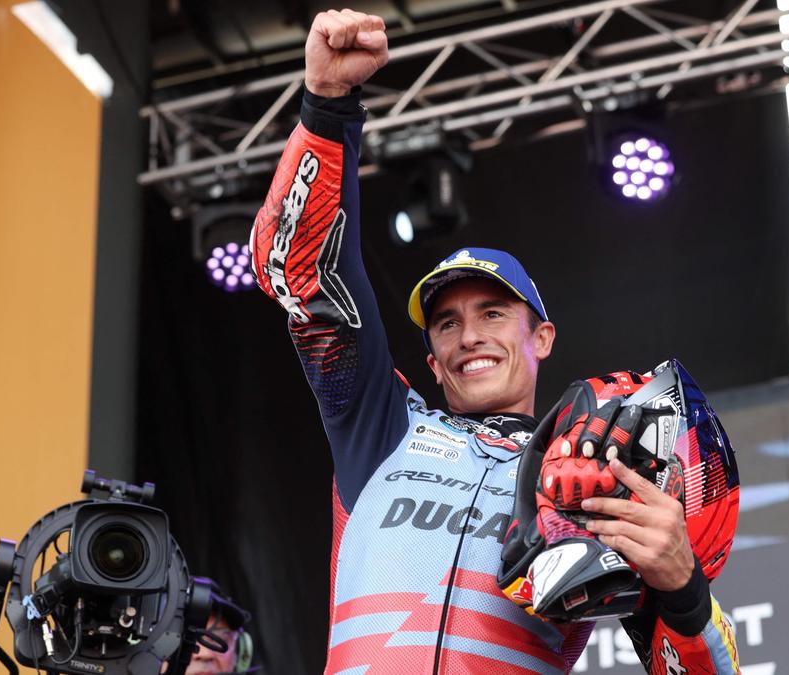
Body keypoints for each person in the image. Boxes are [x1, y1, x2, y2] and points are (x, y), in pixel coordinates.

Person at [249, 9, 739, 673]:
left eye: (492, 313)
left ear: (542, 335)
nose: (468, 335)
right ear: (432, 361)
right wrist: (328, 108)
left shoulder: (590, 474)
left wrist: (683, 591)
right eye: (446, 323)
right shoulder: (379, 426)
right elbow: (307, 273)